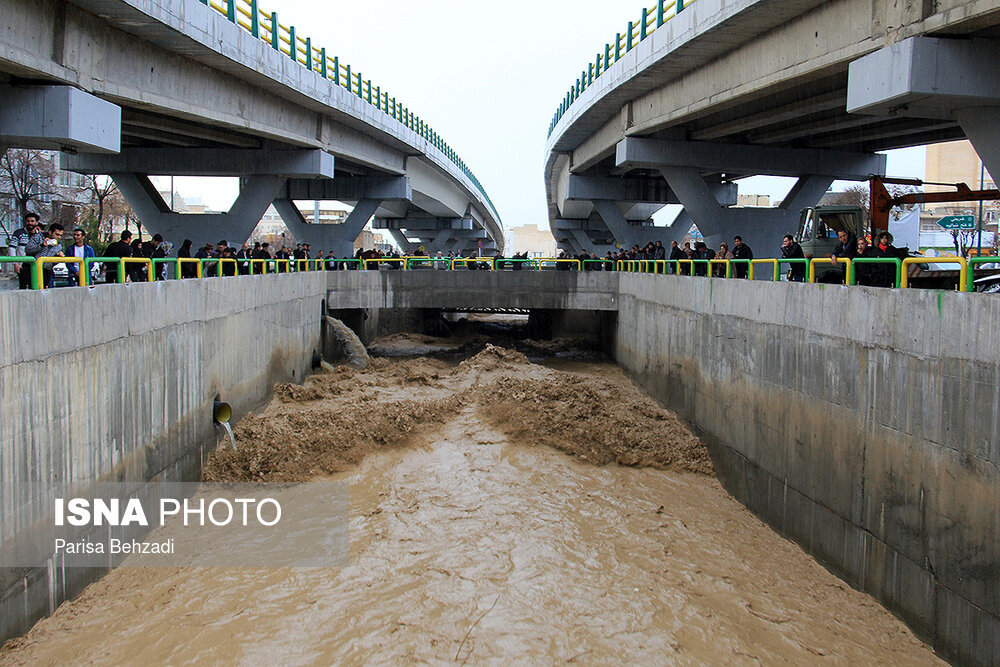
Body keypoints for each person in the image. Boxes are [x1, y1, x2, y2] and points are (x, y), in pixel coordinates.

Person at [11, 212, 44, 289]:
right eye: (28, 221)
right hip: (22, 265)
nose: (30, 223)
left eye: (32, 221)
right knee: (23, 287)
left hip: (36, 265)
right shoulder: (19, 233)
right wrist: (15, 263)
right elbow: (12, 248)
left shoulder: (40, 235)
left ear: (36, 222)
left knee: (37, 287)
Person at [30, 223, 65, 288]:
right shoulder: (38, 237)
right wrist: (42, 245)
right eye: (57, 234)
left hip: (46, 271)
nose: (59, 237)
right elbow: (28, 250)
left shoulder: (58, 245)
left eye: (60, 235)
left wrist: (57, 257)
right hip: (33, 269)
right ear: (50, 232)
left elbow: (53, 263)